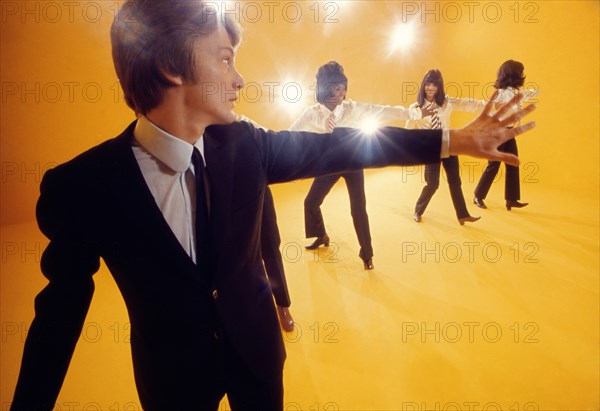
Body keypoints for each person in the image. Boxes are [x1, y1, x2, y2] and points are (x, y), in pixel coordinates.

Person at [10, 2, 536, 410]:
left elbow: (342, 144)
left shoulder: (245, 144)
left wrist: (453, 141)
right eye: (224, 58)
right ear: (171, 66)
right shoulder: (82, 187)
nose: (239, 79)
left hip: (258, 353)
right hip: (172, 379)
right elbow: (58, 316)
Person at [290, 61, 425, 270]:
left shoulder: (353, 108)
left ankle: (367, 254)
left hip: (353, 164)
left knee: (358, 209)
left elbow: (383, 110)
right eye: (335, 88)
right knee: (311, 202)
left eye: (342, 88)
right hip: (329, 165)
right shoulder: (313, 113)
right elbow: (290, 136)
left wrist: (412, 113)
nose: (340, 93)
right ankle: (321, 235)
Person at [407, 69, 486, 225]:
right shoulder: (415, 107)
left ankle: (462, 215)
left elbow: (469, 104)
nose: (430, 88)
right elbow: (408, 130)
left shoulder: (446, 102)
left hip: (449, 145)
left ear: (439, 87)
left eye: (434, 85)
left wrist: (490, 105)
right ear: (423, 85)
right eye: (428, 84)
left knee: (455, 181)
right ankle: (418, 210)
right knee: (433, 184)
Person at [474, 60, 539, 210]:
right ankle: (478, 195)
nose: (523, 75)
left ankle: (511, 199)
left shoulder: (516, 92)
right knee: (493, 165)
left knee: (513, 163)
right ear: (514, 74)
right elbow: (488, 108)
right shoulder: (502, 93)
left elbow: (526, 95)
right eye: (521, 72)